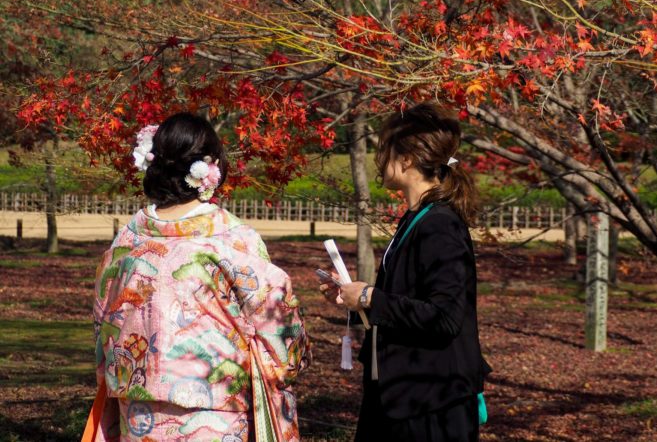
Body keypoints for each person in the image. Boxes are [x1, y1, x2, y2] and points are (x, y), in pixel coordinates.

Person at [90, 113, 310, 442]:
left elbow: (103, 326)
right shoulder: (232, 239)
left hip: (137, 410)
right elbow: (277, 321)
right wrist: (293, 360)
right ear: (211, 168)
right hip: (215, 413)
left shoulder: (126, 242)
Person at [320, 103, 490, 442]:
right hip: (399, 394)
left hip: (430, 403)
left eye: (384, 149)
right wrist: (357, 299)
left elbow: (444, 317)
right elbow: (407, 300)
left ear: (408, 158)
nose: (379, 160)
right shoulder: (416, 218)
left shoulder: (440, 225)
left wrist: (370, 296)